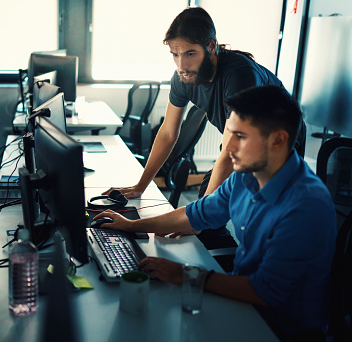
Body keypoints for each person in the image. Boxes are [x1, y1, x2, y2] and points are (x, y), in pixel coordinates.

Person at [94, 85, 335, 340]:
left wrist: (184, 274)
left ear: (278, 140)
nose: (228, 147)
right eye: (229, 133)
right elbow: (195, 215)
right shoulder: (245, 176)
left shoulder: (306, 207)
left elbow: (265, 292)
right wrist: (130, 225)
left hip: (280, 328)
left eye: (240, 136)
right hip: (242, 305)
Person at [102, 7, 306, 263]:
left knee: (253, 216)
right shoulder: (182, 78)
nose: (181, 65)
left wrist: (201, 218)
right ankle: (221, 266)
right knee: (209, 207)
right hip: (241, 148)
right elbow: (167, 132)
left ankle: (231, 270)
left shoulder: (239, 74)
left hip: (278, 147)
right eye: (174, 54)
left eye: (190, 54)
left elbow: (230, 148)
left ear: (211, 46)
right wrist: (141, 185)